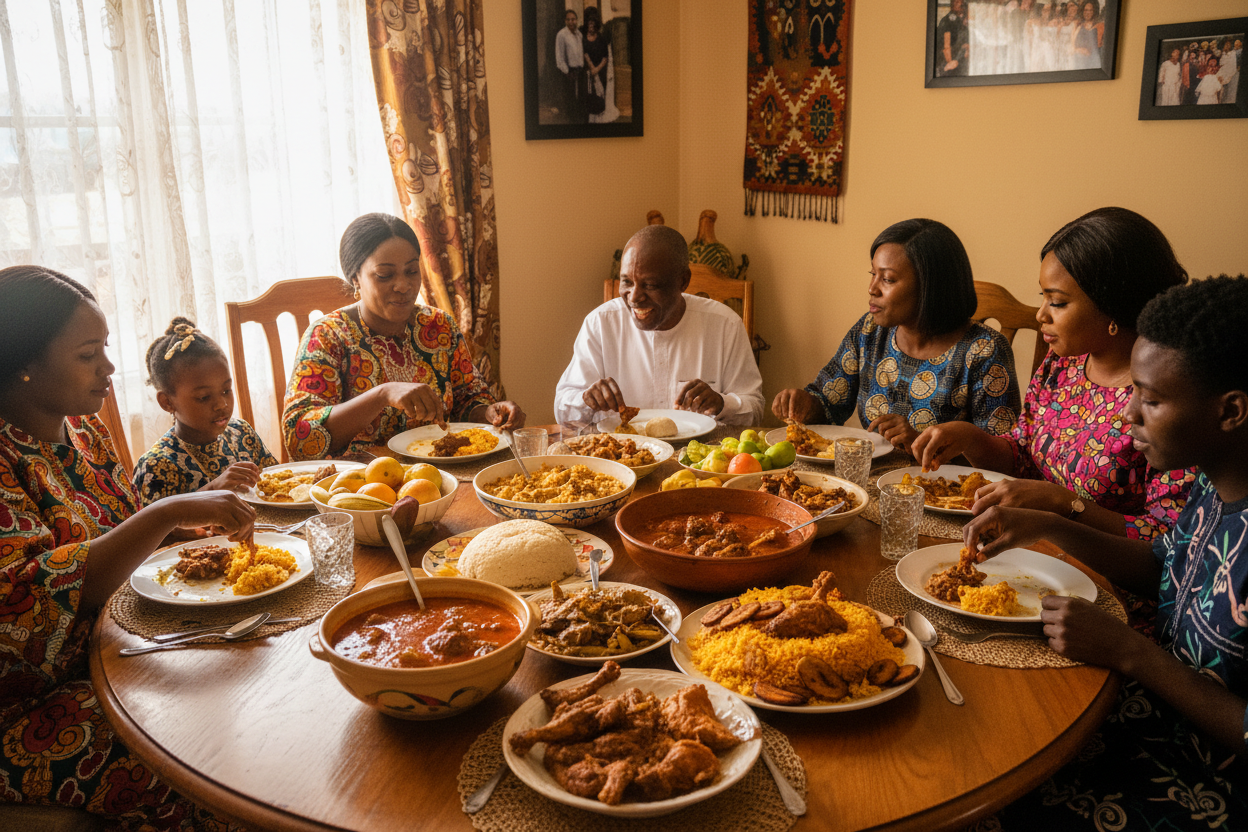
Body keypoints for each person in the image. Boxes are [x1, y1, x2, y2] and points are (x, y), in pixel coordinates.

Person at [966, 275, 1248, 830]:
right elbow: (1162, 566)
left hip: (1204, 782)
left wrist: (1130, 652)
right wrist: (1049, 526)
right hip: (1145, 714)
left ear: (1231, 410)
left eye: (1153, 400)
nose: (1128, 414)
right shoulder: (1213, 484)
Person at [0, 266, 254, 830]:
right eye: (88, 355)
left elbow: (122, 527)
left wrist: (188, 527)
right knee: (210, 758)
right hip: (35, 701)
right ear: (23, 364)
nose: (109, 368)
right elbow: (29, 604)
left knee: (255, 674)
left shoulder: (82, 429)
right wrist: (170, 511)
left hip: (120, 645)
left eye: (105, 348)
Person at [912, 207, 1194, 543]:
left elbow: (1168, 539)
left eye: (1057, 302)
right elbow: (1023, 460)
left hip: (1103, 570)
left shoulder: (1168, 395)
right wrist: (971, 438)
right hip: (1033, 547)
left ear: (1113, 306)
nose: (1041, 314)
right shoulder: (1063, 364)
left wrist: (1064, 504)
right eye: (1042, 297)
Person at [283, 213, 524, 460]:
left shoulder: (439, 326)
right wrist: (382, 395)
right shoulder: (328, 336)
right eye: (385, 275)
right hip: (362, 479)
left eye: (411, 271)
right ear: (355, 278)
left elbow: (467, 400)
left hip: (441, 472)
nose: (403, 285)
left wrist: (490, 413)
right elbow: (299, 438)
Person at [771, 219, 1020, 454]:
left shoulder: (984, 350)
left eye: (888, 279)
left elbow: (1004, 455)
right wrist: (806, 404)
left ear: (930, 287)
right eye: (873, 274)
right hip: (870, 475)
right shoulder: (870, 331)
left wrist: (919, 443)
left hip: (941, 484)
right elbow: (829, 402)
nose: (872, 288)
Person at [554, 225, 764, 427]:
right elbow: (562, 409)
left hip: (699, 451)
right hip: (620, 451)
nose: (634, 297)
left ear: (683, 281)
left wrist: (722, 403)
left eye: (650, 285)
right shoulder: (601, 323)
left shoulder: (725, 325)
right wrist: (586, 400)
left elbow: (755, 410)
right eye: (627, 282)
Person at [133, 317, 277, 506]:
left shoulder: (242, 434)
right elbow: (155, 523)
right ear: (167, 402)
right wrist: (213, 489)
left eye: (226, 391)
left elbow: (277, 483)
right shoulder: (157, 466)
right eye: (204, 397)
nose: (221, 404)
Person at [554, 8, 585, 122]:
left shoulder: (579, 34)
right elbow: (559, 57)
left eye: (573, 19)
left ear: (577, 20)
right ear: (565, 21)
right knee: (570, 101)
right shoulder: (561, 35)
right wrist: (567, 72)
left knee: (580, 100)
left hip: (580, 71)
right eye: (568, 20)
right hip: (569, 72)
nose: (571, 22)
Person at [936, 0, 970, 76]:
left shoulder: (962, 20)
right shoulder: (948, 20)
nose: (961, 5)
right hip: (948, 64)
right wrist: (949, 63)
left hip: (958, 62)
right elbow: (946, 46)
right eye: (958, 3)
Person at [1070, 0, 1102, 70]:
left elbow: (1099, 47)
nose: (1088, 13)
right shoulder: (1077, 26)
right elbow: (1072, 48)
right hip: (1079, 61)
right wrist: (1079, 50)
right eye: (1086, 10)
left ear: (1094, 11)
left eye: (1090, 10)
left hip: (1093, 62)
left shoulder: (1099, 26)